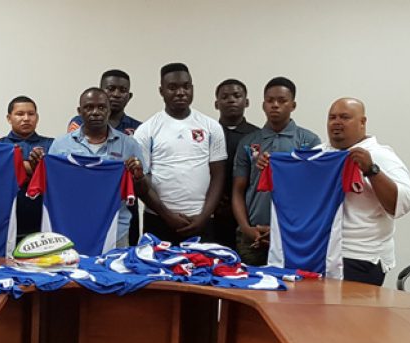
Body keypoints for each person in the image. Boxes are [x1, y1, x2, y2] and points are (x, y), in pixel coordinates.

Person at [44, 88, 145, 343]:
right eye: (89, 107)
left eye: (101, 107)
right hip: (69, 234)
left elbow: (139, 186)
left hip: (116, 233)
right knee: (65, 299)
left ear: (108, 110)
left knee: (115, 300)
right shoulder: (60, 146)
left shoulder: (129, 144)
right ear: (80, 109)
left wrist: (136, 175)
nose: (96, 112)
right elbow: (52, 186)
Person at [324, 98, 410, 285]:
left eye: (345, 117)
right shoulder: (319, 154)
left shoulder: (381, 156)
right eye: (332, 117)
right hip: (322, 252)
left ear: (362, 122)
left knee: (352, 315)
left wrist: (371, 170)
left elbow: (404, 203)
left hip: (361, 256)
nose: (336, 122)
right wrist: (271, 167)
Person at [133, 63, 227, 245]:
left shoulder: (211, 127)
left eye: (186, 86)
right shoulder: (146, 130)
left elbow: (218, 176)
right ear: (161, 91)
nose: (181, 92)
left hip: (201, 220)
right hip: (159, 221)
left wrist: (204, 216)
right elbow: (141, 181)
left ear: (192, 88)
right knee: (158, 273)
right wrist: (167, 216)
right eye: (173, 87)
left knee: (202, 272)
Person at [231, 77, 320, 265]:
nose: (275, 105)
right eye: (270, 101)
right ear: (263, 105)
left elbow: (314, 193)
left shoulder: (309, 141)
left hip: (293, 236)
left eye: (282, 100)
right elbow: (238, 190)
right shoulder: (248, 142)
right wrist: (246, 229)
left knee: (293, 292)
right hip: (253, 236)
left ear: (293, 105)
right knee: (249, 291)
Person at [68, 69, 143, 246]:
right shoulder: (68, 137)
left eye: (122, 90)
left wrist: (137, 174)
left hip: (118, 225)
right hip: (76, 224)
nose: (116, 94)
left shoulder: (135, 135)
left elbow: (141, 183)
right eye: (111, 89)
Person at [0, 96, 54, 240]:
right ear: (9, 118)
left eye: (31, 114)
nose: (26, 118)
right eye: (20, 114)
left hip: (43, 218)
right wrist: (32, 168)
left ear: (37, 117)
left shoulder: (52, 145)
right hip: (7, 218)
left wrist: (19, 165)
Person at [213, 79, 260, 249]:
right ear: (216, 104)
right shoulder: (209, 134)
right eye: (224, 97)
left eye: (237, 96)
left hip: (247, 213)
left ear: (246, 102)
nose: (231, 100)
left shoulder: (257, 136)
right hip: (214, 213)